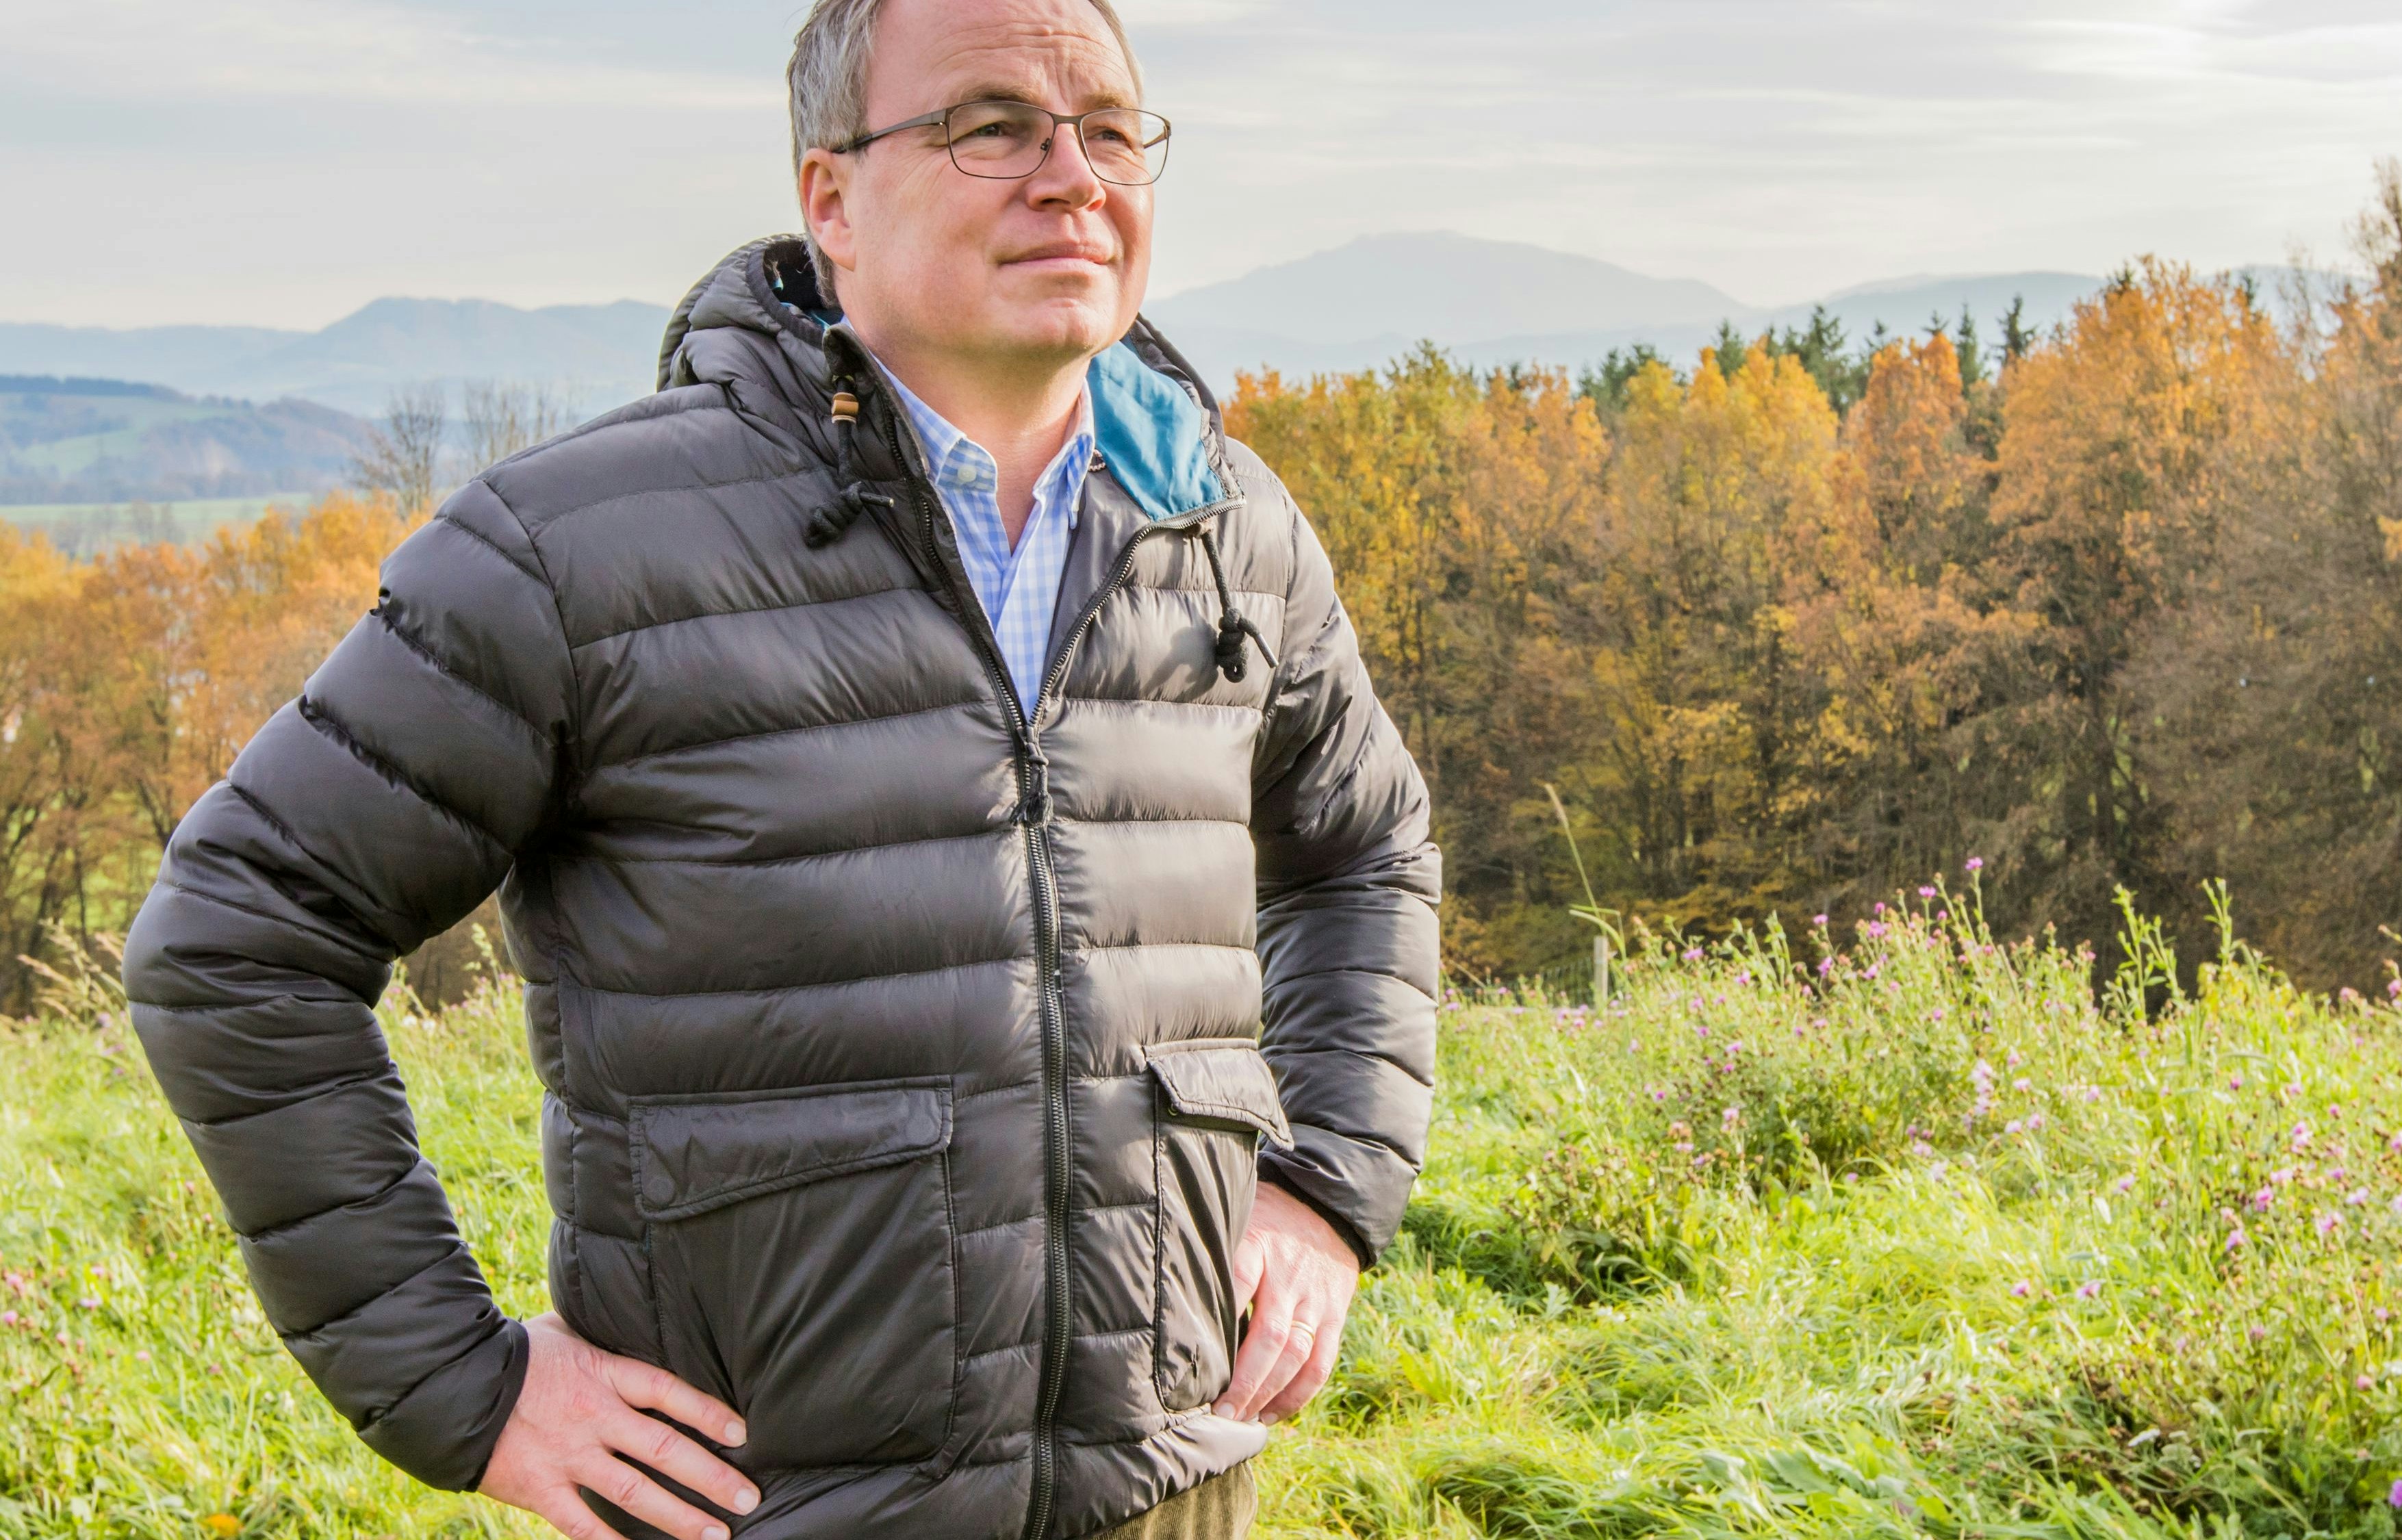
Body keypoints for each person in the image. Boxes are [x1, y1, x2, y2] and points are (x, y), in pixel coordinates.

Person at [120, 1, 1440, 1536]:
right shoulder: (575, 550)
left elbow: (1365, 849)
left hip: (1173, 1490)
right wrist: (457, 1385)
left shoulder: (1226, 526)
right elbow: (236, 938)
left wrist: (1329, 1185)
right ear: (831, 203)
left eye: (1108, 128)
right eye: (991, 124)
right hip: (766, 1508)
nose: (1071, 175)